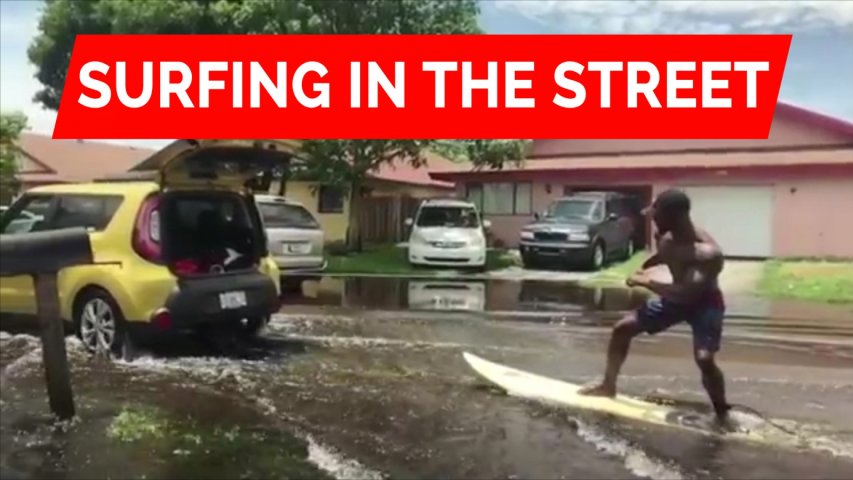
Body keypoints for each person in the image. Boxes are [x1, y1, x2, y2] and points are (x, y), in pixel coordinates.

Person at [579, 189, 731, 425]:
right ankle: (608, 386)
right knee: (622, 329)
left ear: (674, 216)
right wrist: (645, 266)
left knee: (704, 359)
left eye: (657, 213)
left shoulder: (708, 254)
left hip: (704, 303)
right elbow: (666, 255)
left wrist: (645, 281)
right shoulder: (666, 236)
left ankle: (722, 414)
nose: (652, 218)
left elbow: (686, 292)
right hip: (676, 298)